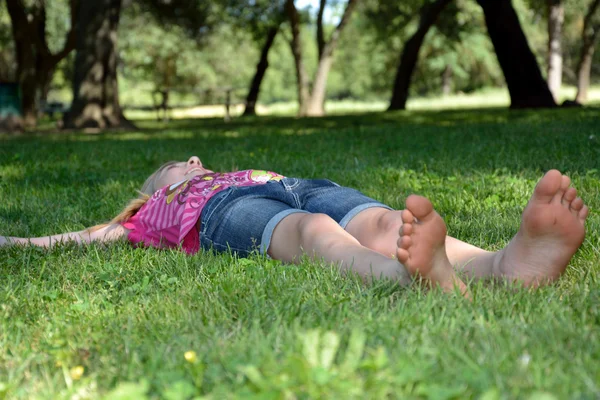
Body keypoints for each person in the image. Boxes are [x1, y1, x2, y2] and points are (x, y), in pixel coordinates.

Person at [0, 156, 589, 295]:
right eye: (180, 165)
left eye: (197, 160)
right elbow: (72, 239)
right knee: (309, 232)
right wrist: (14, 242)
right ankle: (406, 275)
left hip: (293, 184)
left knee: (386, 219)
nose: (195, 163)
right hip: (226, 217)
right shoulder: (152, 214)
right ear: (155, 190)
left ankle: (503, 263)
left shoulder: (233, 169)